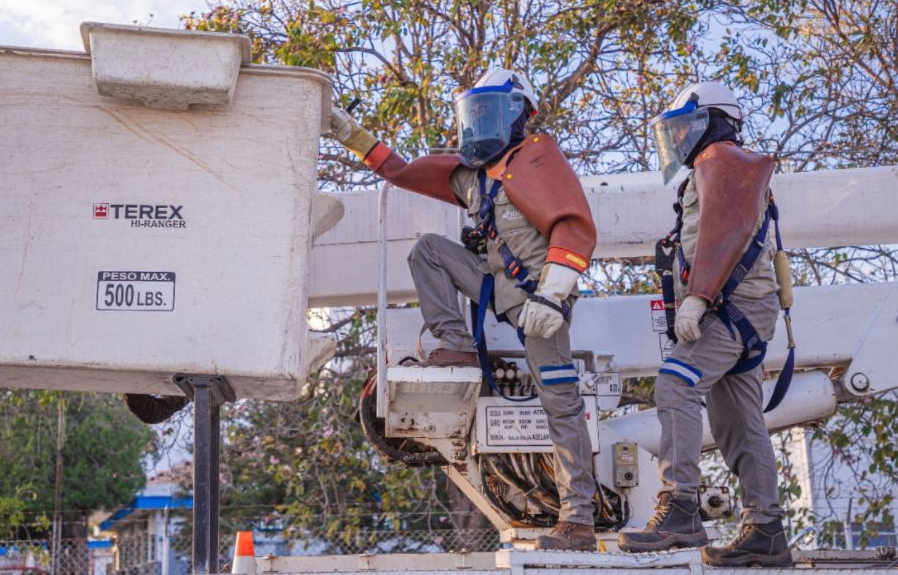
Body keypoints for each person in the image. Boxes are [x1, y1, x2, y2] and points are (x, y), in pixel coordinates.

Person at [330, 69, 599, 551]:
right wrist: (351, 134)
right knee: (429, 250)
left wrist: (554, 294)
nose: (481, 125)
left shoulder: (537, 158)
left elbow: (575, 226)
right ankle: (456, 346)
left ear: (520, 115)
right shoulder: (475, 179)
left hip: (541, 300)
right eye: (475, 115)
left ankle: (577, 518)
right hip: (499, 288)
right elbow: (401, 171)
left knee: (560, 402)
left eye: (491, 113)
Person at [617, 82, 792, 567]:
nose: (677, 141)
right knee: (739, 422)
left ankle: (681, 510)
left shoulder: (724, 161)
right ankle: (766, 530)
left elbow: (726, 233)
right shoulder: (715, 168)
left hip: (729, 311)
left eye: (683, 128)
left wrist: (698, 298)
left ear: (712, 120)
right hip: (743, 311)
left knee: (675, 385)